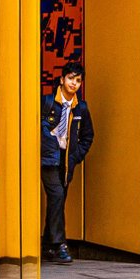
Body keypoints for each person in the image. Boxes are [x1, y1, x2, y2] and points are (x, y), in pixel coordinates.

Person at [40, 61, 94, 265]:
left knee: (58, 200)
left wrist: (75, 156)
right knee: (57, 195)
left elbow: (88, 136)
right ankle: (60, 244)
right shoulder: (46, 102)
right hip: (48, 159)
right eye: (71, 78)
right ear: (61, 79)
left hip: (65, 161)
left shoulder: (81, 108)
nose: (74, 83)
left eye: (78, 80)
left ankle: (48, 246)